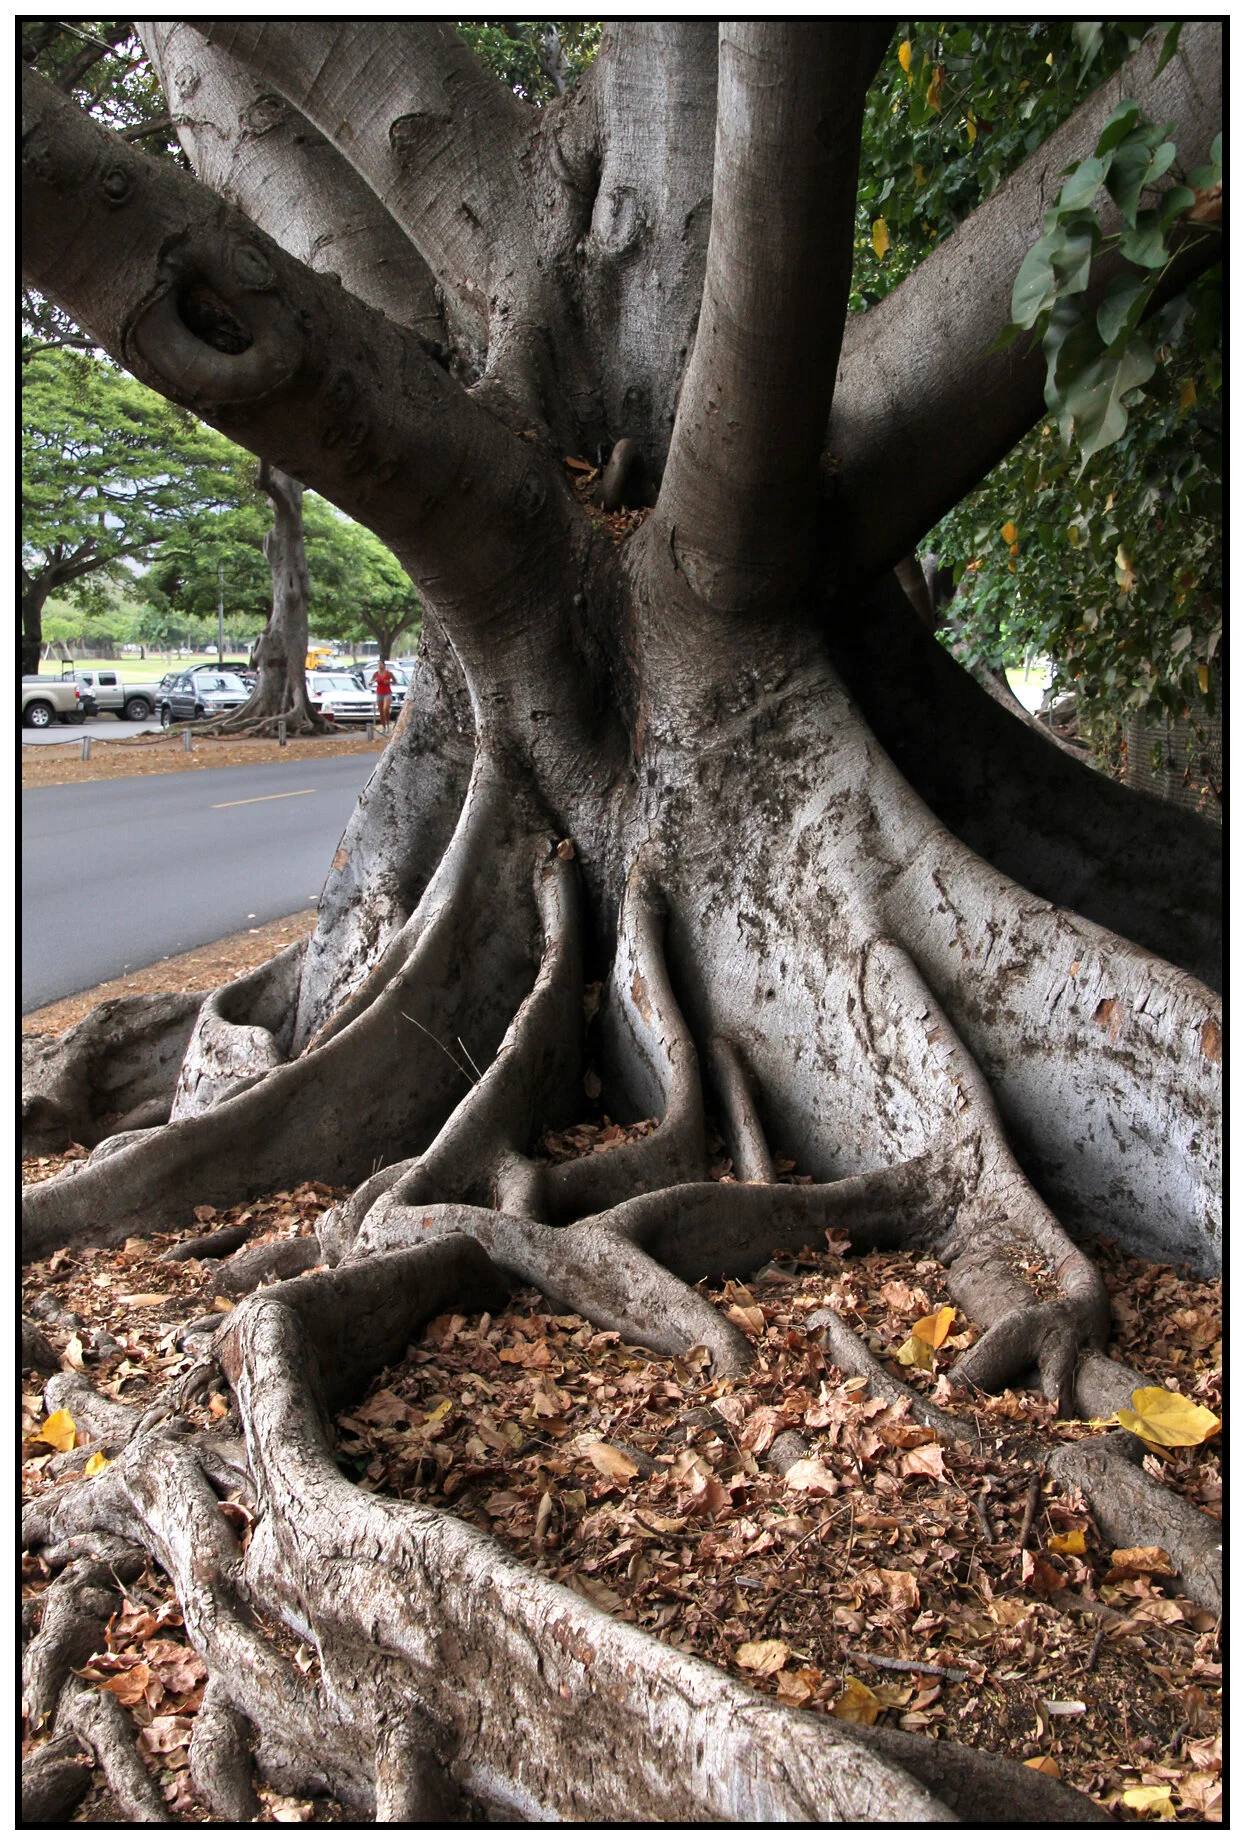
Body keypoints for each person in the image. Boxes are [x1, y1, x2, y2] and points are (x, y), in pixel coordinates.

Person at [373, 661, 393, 731]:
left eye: (381, 664)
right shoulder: (376, 673)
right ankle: (384, 726)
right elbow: (370, 682)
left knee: (385, 708)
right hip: (379, 693)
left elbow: (395, 681)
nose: (380, 665)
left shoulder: (389, 673)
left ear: (384, 665)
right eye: (378, 664)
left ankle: (387, 724)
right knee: (381, 711)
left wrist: (389, 682)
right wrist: (374, 681)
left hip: (387, 692)